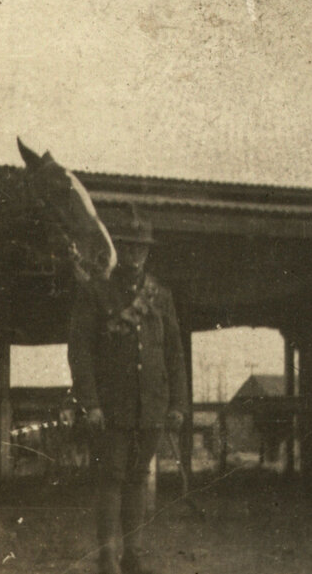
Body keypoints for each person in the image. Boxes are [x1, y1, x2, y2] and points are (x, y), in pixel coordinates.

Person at [67, 208, 188, 574]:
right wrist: (90, 403)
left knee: (137, 478)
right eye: (130, 248)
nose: (136, 254)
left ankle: (132, 554)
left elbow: (174, 353)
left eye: (142, 249)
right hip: (112, 406)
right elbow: (80, 352)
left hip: (150, 405)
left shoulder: (160, 296)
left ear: (148, 253)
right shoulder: (96, 292)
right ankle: (107, 557)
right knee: (111, 479)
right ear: (119, 249)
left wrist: (178, 404)